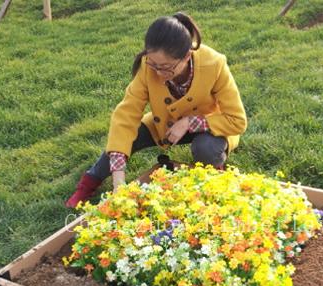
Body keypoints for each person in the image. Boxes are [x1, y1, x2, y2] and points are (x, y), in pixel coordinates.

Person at [66, 12, 247, 207]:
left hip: (208, 126)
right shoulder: (148, 66)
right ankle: (88, 183)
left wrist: (189, 122)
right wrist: (119, 178)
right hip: (164, 125)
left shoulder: (215, 64)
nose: (159, 74)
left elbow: (237, 120)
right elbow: (126, 115)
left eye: (166, 67)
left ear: (186, 56)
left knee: (205, 147)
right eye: (154, 65)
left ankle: (214, 175)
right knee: (127, 136)